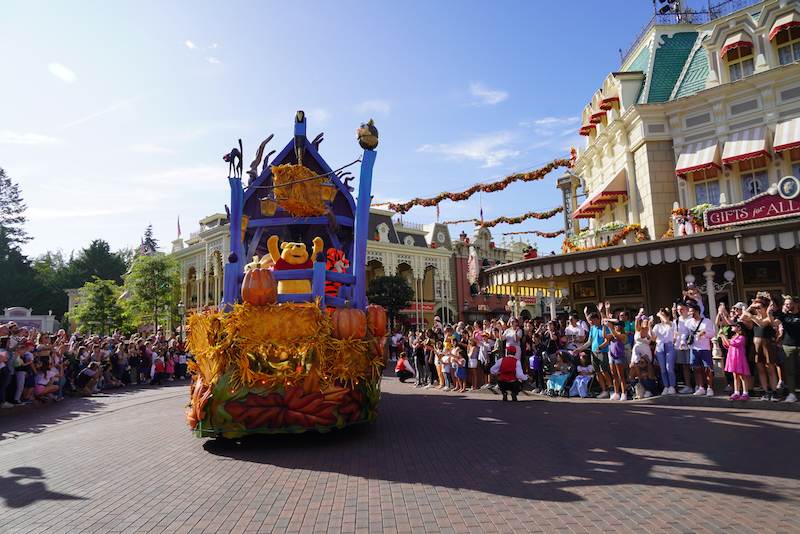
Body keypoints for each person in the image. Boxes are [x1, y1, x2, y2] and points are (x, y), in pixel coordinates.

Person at [741, 296, 780, 401]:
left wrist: (752, 316)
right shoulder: (754, 316)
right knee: (761, 369)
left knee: (770, 369)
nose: (757, 310)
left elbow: (762, 324)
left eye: (759, 307)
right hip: (756, 345)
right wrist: (750, 307)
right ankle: (766, 391)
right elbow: (742, 318)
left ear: (765, 308)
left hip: (766, 344)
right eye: (756, 308)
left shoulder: (767, 318)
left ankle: (774, 391)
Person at [573, 309, 612, 398]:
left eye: (591, 320)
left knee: (604, 371)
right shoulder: (592, 328)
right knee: (597, 372)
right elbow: (589, 342)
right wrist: (579, 349)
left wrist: (600, 347)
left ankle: (611, 389)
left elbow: (607, 340)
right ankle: (604, 391)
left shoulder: (604, 327)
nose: (590, 322)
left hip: (603, 352)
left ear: (596, 319)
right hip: (594, 353)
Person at [685, 302, 715, 397]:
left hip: (705, 348)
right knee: (696, 369)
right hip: (693, 348)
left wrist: (704, 332)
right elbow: (685, 334)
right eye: (689, 312)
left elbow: (712, 334)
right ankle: (701, 387)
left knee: (708, 369)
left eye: (691, 311)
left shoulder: (707, 321)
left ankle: (710, 388)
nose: (690, 313)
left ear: (697, 311)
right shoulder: (688, 322)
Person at [775, 295, 800, 403]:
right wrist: (770, 312)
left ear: (796, 304)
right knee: (790, 370)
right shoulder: (783, 316)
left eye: (788, 304)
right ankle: (792, 394)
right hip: (788, 345)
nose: (786, 306)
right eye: (785, 304)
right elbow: (774, 323)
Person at [719, 322, 750, 400]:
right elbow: (727, 344)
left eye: (734, 326)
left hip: (739, 357)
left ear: (739, 328)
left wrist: (723, 335)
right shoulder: (734, 336)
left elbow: (731, 343)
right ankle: (736, 392)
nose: (732, 327)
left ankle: (745, 392)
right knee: (735, 376)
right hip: (733, 357)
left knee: (742, 376)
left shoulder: (741, 337)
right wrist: (722, 336)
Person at [653, 308, 677, 394]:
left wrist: (660, 314)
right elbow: (653, 335)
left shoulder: (672, 324)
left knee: (669, 368)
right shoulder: (657, 326)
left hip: (669, 346)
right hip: (660, 346)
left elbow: (667, 322)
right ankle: (666, 386)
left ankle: (672, 386)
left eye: (664, 315)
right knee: (662, 369)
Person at [605, 319, 629, 401]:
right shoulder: (612, 335)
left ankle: (624, 392)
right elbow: (605, 336)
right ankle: (616, 392)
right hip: (612, 356)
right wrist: (605, 326)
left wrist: (610, 327)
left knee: (621, 376)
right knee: (614, 376)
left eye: (617, 325)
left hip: (620, 356)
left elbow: (616, 334)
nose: (615, 327)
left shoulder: (623, 335)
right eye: (615, 325)